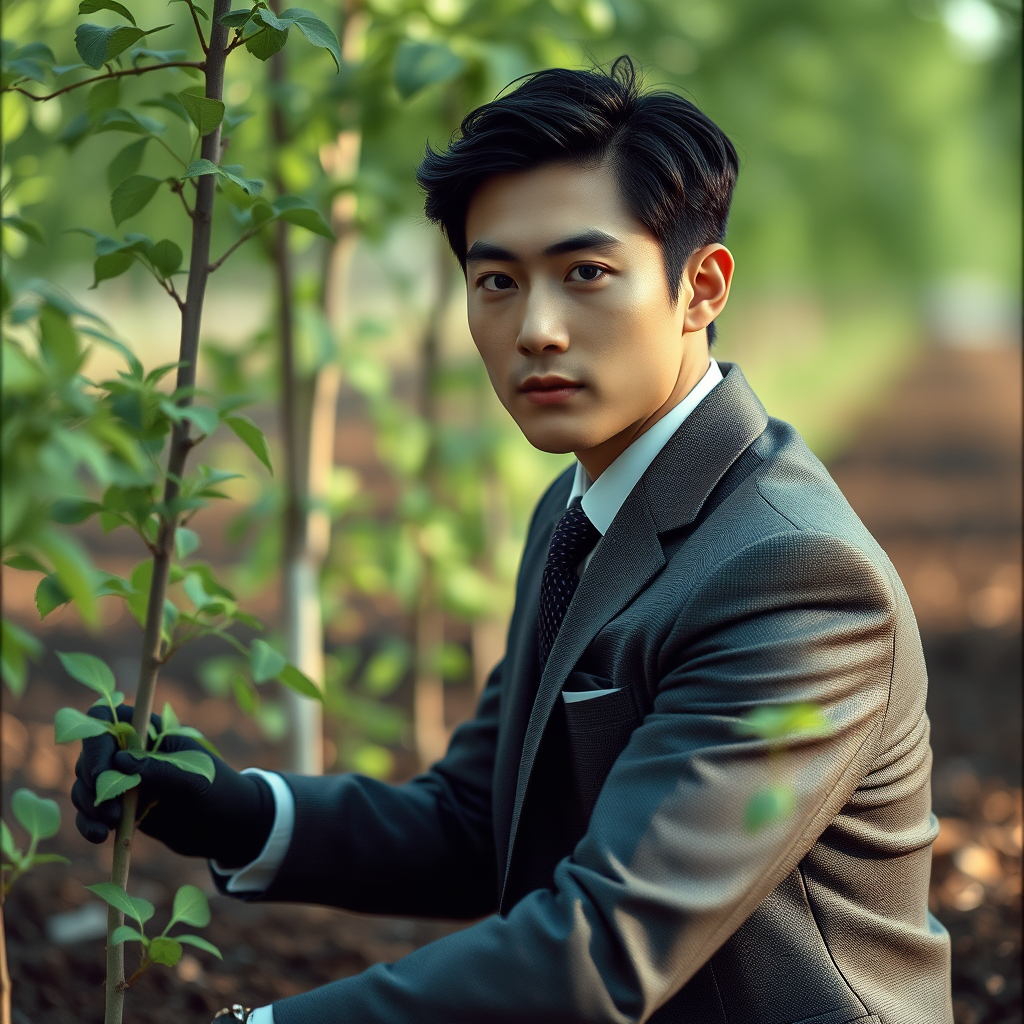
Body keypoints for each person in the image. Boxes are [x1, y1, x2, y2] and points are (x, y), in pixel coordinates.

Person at [73, 57, 953, 1024]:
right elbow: (481, 822)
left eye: (586, 273)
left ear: (701, 287)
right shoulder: (582, 510)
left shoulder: (792, 578)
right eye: (496, 280)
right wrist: (235, 808)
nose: (535, 328)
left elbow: (605, 946)